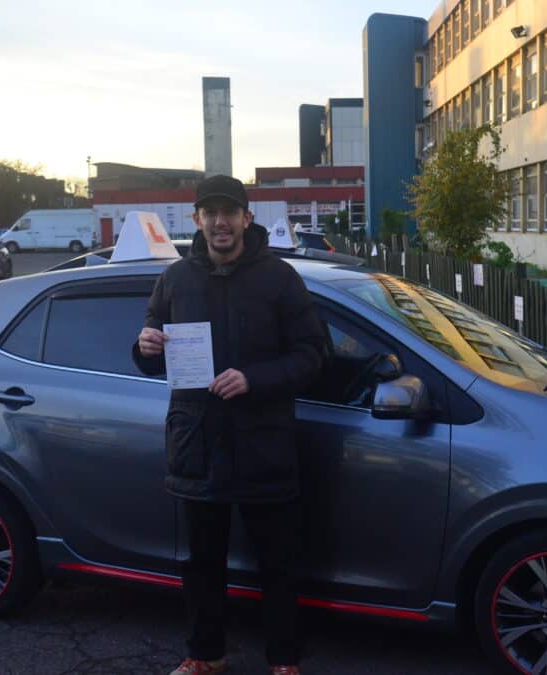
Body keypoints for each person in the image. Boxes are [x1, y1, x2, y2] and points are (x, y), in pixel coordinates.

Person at [133, 175, 327, 675]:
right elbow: (151, 352)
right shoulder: (174, 280)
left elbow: (312, 355)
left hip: (265, 441)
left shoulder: (280, 278)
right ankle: (205, 655)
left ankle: (284, 661)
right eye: (210, 212)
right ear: (197, 220)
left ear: (246, 218)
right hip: (199, 441)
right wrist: (145, 347)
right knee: (201, 564)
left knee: (278, 564)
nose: (220, 222)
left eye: (230, 211)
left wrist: (255, 379)